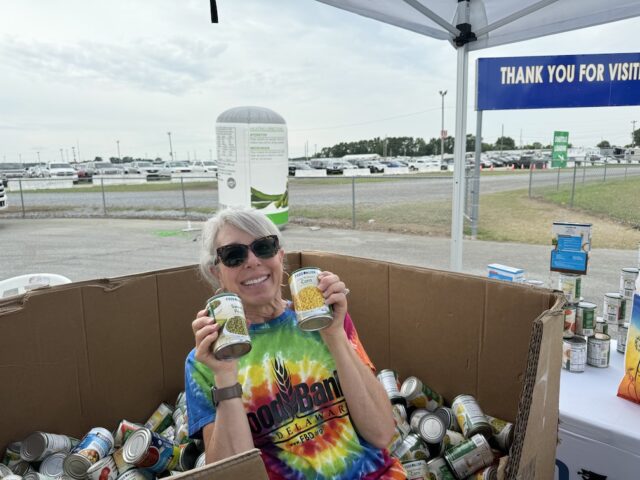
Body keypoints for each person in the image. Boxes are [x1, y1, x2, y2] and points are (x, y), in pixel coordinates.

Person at [185, 207, 405, 479]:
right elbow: (234, 475)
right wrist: (225, 375)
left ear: (280, 255)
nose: (252, 261)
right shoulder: (205, 361)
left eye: (264, 247)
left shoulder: (327, 321)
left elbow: (382, 432)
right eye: (233, 255)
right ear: (216, 272)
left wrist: (335, 335)